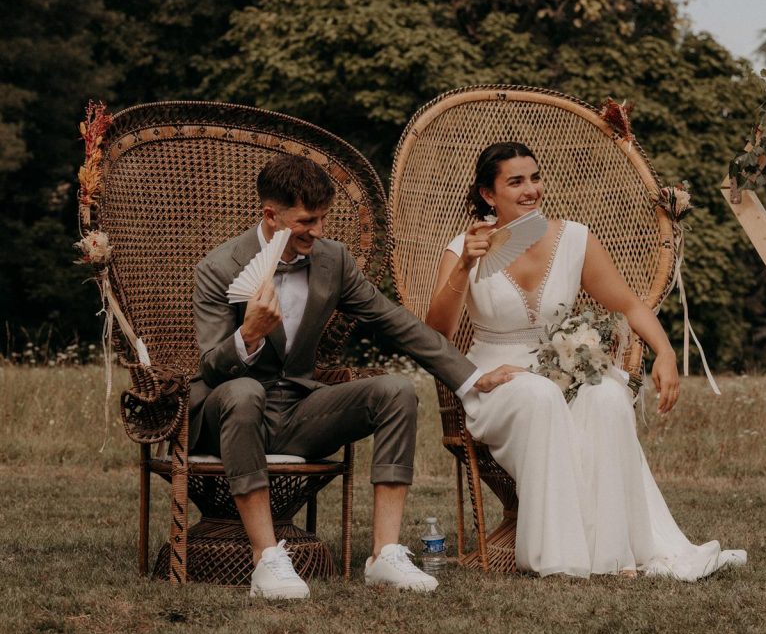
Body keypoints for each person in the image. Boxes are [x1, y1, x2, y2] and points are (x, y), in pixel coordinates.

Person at [191, 154, 520, 599]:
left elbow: (394, 323)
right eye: (307, 221)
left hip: (298, 412)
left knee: (394, 390)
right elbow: (211, 366)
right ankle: (266, 558)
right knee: (245, 391)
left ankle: (384, 554)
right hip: (229, 413)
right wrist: (248, 335)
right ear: (270, 215)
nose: (318, 231)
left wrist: (469, 375)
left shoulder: (333, 260)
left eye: (323, 219)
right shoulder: (219, 267)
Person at [425, 142, 746, 579]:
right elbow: (437, 332)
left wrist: (665, 352)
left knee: (608, 398)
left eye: (535, 178)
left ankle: (617, 556)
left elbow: (629, 305)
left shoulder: (574, 238)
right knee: (539, 397)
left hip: (561, 366)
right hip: (496, 381)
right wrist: (465, 265)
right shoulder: (464, 246)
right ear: (488, 194)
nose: (531, 189)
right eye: (515, 181)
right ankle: (559, 558)